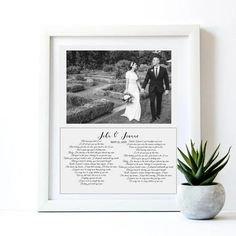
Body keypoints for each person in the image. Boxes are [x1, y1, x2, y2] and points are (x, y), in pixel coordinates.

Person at [141, 56, 170, 123]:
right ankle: (153, 117)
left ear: (158, 61)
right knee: (152, 102)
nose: (153, 61)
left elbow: (166, 80)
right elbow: (146, 79)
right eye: (153, 60)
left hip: (160, 89)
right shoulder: (150, 69)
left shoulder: (163, 69)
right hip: (152, 89)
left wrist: (167, 89)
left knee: (159, 102)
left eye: (154, 60)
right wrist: (143, 87)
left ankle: (158, 114)